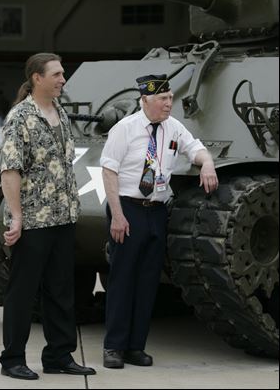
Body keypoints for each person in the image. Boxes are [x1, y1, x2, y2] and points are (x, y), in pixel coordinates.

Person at [100, 74, 218, 369]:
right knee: (122, 280)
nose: (169, 104)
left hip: (157, 211)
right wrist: (117, 215)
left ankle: (136, 347)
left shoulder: (174, 127)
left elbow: (196, 148)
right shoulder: (124, 129)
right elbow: (109, 172)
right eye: (163, 99)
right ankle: (114, 347)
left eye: (170, 98)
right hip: (127, 209)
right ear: (145, 100)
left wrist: (208, 163)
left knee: (148, 282)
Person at [0, 53, 96, 380]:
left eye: (63, 73)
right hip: (35, 219)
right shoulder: (20, 117)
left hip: (63, 217)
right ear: (37, 78)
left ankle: (59, 355)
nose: (63, 79)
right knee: (23, 292)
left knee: (61, 290)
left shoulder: (60, 112)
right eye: (56, 74)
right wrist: (16, 216)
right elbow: (10, 170)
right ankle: (12, 359)